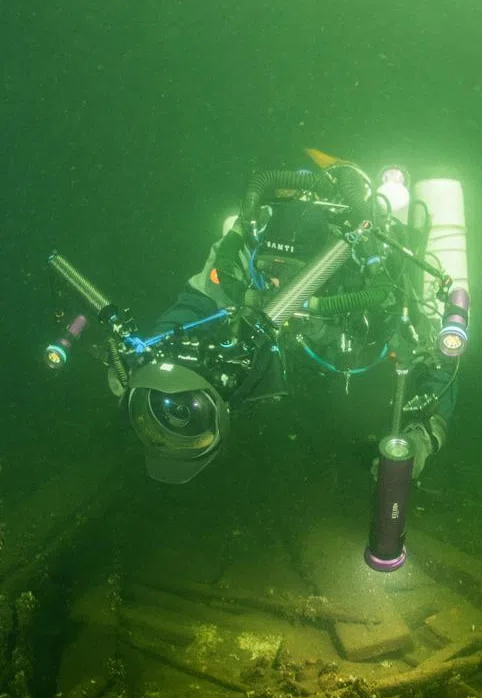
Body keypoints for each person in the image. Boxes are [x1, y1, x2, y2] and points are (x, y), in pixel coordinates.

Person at [119, 150, 463, 484]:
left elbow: (439, 357)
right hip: (282, 391)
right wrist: (151, 351)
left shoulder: (369, 267)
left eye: (296, 276)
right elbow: (196, 304)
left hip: (350, 382)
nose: (277, 286)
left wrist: (423, 437)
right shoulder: (245, 245)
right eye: (270, 269)